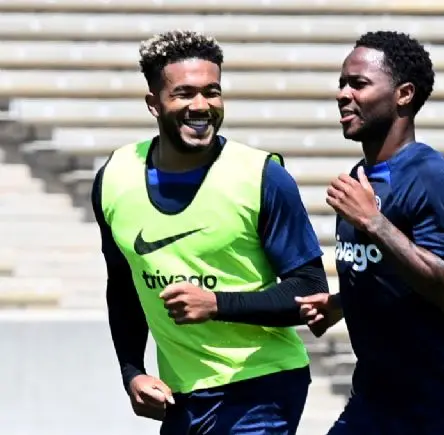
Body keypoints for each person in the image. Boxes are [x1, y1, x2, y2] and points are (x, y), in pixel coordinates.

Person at [90, 30, 329, 434]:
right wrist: (132, 370)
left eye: (212, 92)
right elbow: (124, 285)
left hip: (263, 383)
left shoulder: (263, 177)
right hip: (181, 395)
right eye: (184, 94)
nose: (201, 106)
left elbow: (308, 290)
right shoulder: (114, 179)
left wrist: (217, 303)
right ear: (154, 104)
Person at [296, 31, 444, 434]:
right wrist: (343, 301)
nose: (343, 94)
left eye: (358, 83)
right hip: (378, 398)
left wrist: (374, 222)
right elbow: (392, 273)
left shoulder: (430, 175)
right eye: (342, 83)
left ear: (403, 94)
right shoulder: (360, 178)